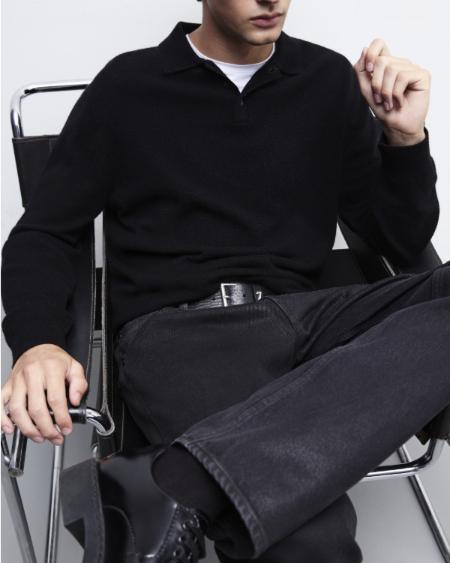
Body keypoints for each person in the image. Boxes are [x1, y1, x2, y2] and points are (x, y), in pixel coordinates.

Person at [2, 0, 449, 561]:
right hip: (184, 335)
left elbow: (397, 243)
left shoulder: (326, 80)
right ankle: (213, 476)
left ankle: (172, 481)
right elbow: (44, 232)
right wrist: (38, 342)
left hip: (308, 324)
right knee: (311, 543)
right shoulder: (129, 86)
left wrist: (404, 140)